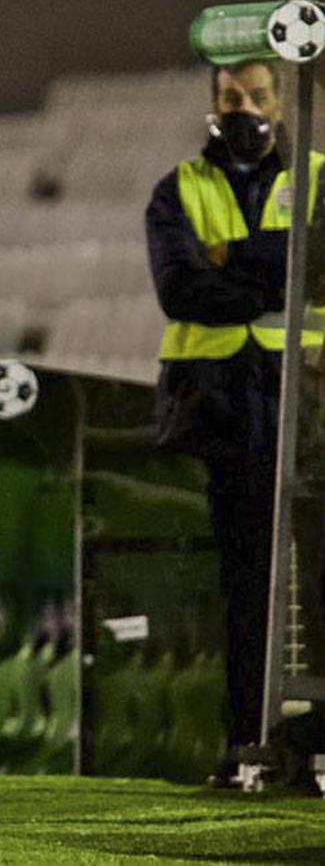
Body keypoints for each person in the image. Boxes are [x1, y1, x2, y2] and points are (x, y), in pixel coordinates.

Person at [146, 59, 325, 787]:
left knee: (318, 580)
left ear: (280, 103)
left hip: (309, 398)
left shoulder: (317, 175)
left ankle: (311, 743)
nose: (241, 109)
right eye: (228, 98)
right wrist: (279, 265)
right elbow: (180, 290)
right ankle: (245, 746)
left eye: (254, 96)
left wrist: (233, 258)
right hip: (223, 402)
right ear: (211, 105)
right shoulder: (176, 189)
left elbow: (324, 266)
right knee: (245, 584)